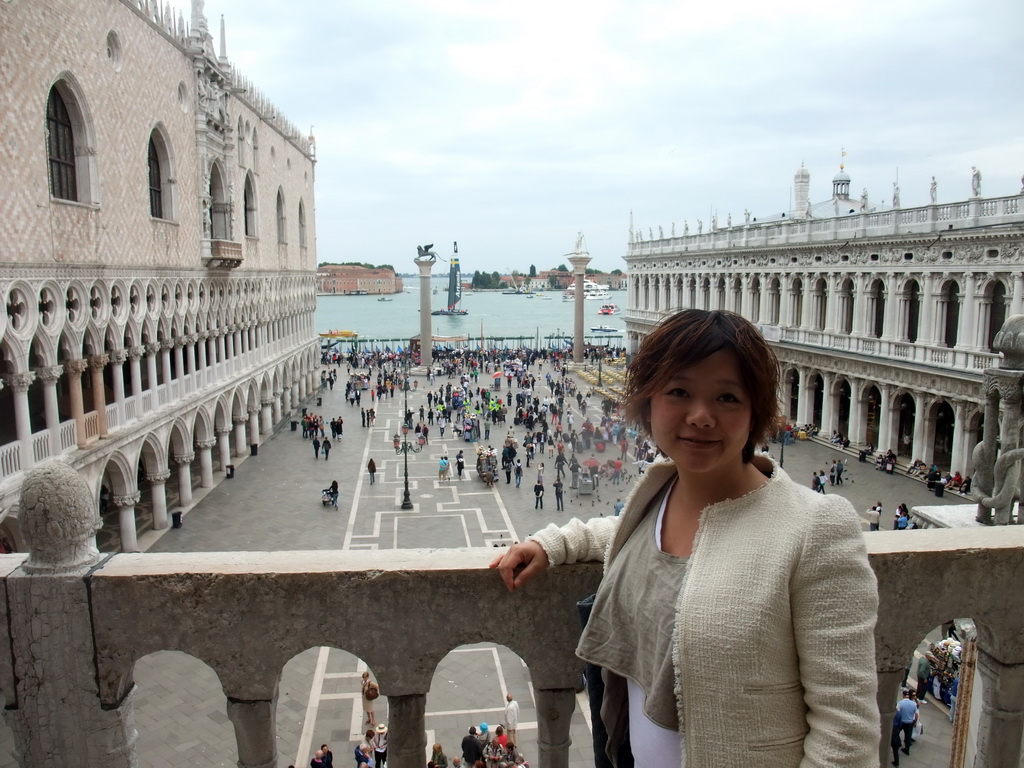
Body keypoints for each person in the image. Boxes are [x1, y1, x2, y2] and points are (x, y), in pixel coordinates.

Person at [490, 309, 879, 767]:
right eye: (679, 392)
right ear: (648, 403)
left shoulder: (817, 528)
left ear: (755, 412)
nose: (701, 416)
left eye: (727, 397)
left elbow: (847, 735)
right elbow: (627, 535)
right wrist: (555, 544)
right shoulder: (659, 490)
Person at [896, 689, 918, 755]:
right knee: (908, 737)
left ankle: (898, 743)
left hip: (902, 722)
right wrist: (914, 722)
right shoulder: (914, 704)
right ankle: (907, 749)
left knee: (896, 733)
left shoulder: (900, 703)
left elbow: (897, 713)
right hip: (910, 722)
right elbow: (916, 714)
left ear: (903, 695)